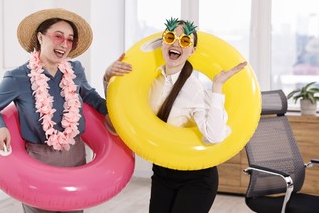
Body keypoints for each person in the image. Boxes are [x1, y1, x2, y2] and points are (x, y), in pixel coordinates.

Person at [0, 8, 122, 213]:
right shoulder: (18, 77)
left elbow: (90, 96)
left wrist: (110, 113)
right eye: (58, 36)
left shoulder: (75, 70)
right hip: (39, 161)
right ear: (40, 37)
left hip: (75, 156)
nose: (64, 44)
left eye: (70, 39)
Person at [104, 18, 247, 213]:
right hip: (162, 172)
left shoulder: (194, 89)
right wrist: (107, 79)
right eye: (170, 37)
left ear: (192, 51)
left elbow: (214, 136)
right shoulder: (148, 82)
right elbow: (118, 118)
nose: (176, 44)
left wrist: (217, 87)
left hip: (196, 178)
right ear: (163, 42)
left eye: (185, 41)